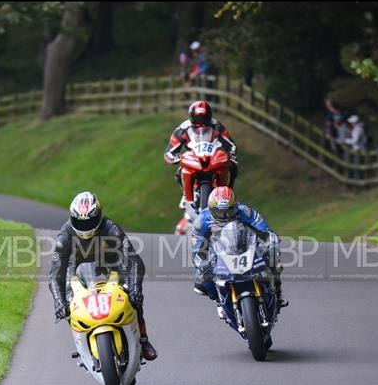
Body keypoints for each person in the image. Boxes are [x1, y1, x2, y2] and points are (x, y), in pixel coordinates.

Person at [49, 191, 158, 361]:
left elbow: (134, 260)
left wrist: (136, 286)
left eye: (89, 222)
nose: (85, 228)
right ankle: (82, 343)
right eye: (80, 222)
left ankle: (143, 340)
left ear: (98, 216)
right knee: (68, 305)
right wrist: (58, 301)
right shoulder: (64, 237)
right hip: (76, 270)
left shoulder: (111, 229)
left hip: (111, 264)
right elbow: (55, 274)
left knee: (133, 296)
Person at [191, 186, 288, 319]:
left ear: (235, 206)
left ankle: (277, 291)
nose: (225, 216)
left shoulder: (245, 211)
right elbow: (197, 247)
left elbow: (264, 229)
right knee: (201, 278)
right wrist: (201, 262)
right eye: (219, 212)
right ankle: (219, 300)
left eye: (229, 211)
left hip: (247, 246)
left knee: (272, 253)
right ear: (211, 208)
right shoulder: (201, 220)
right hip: (218, 254)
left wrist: (271, 239)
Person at [164, 100, 239, 196]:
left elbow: (230, 144)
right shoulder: (182, 129)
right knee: (179, 173)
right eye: (198, 118)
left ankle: (228, 192)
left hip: (213, 157)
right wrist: (175, 158)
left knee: (232, 166)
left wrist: (232, 154)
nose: (201, 121)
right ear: (191, 117)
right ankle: (186, 195)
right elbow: (169, 151)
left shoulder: (216, 126)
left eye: (203, 118)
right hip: (193, 158)